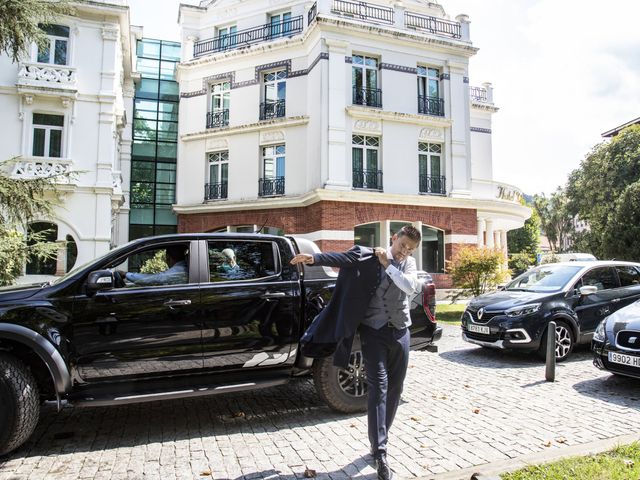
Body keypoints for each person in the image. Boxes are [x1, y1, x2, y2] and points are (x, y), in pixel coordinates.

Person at [290, 225, 421, 480]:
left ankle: (381, 435)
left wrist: (389, 265)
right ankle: (380, 451)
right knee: (378, 387)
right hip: (373, 333)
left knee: (396, 388)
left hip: (400, 332)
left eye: (410, 248)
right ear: (393, 238)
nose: (404, 251)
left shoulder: (409, 265)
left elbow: (409, 287)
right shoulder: (368, 255)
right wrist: (314, 258)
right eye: (402, 245)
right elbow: (343, 258)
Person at [124, 245, 188, 286]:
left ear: (168, 257)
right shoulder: (182, 268)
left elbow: (152, 279)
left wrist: (125, 274)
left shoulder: (178, 271)